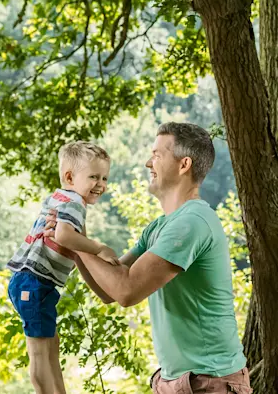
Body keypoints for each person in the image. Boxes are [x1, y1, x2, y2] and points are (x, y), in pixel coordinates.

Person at [55, 123, 251, 393]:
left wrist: (74, 243)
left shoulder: (192, 221)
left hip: (211, 382)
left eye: (157, 155)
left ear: (184, 165)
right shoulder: (158, 228)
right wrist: (75, 239)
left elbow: (126, 291)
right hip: (176, 381)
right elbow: (108, 290)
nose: (149, 163)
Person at [6, 141, 118, 394]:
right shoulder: (74, 202)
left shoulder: (61, 198)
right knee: (39, 351)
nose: (101, 184)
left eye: (104, 178)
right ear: (69, 177)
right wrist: (99, 248)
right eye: (93, 176)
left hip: (34, 283)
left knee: (50, 346)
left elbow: (72, 243)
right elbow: (64, 236)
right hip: (33, 282)